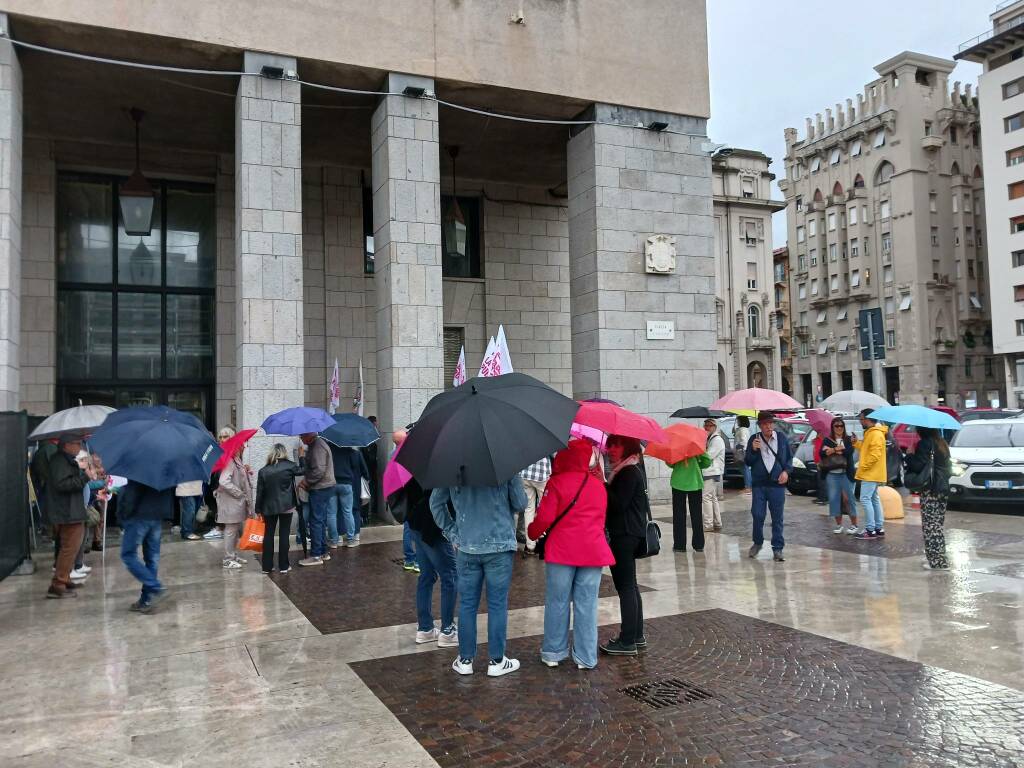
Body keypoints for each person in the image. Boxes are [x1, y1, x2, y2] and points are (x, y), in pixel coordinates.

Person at [431, 474, 527, 677]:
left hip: (467, 545)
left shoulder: (452, 466)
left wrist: (453, 533)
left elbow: (436, 504)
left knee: (467, 603)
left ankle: (465, 659)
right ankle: (497, 660)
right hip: (499, 545)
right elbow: (520, 503)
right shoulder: (504, 465)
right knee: (497, 604)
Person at [528, 440, 613, 670]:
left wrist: (532, 532)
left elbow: (544, 519)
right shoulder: (598, 486)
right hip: (593, 552)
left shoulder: (557, 482)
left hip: (562, 551)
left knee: (557, 601)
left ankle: (553, 652)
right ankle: (586, 657)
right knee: (587, 604)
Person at [600, 435, 649, 656]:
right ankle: (636, 636)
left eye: (615, 445)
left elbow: (618, 504)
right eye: (609, 445)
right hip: (629, 534)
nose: (610, 450)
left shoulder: (628, 472)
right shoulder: (629, 469)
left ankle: (627, 640)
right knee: (631, 586)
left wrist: (601, 483)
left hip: (624, 535)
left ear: (627, 446)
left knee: (626, 587)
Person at [403, 476, 458, 648]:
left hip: (417, 523)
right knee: (450, 576)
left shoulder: (417, 462)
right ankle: (447, 630)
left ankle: (425, 628)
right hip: (434, 527)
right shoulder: (442, 467)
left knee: (426, 575)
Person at [744, 412, 793, 562]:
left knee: (777, 518)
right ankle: (758, 542)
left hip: (777, 485)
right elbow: (748, 461)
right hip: (759, 485)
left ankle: (777, 549)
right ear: (759, 425)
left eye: (770, 423)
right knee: (757, 515)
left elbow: (789, 458)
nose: (768, 426)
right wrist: (753, 450)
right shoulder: (754, 439)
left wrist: (786, 471)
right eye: (765, 424)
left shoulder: (781, 439)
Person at [45, 435, 90, 599]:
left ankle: (65, 578)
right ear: (66, 445)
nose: (79, 446)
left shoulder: (66, 459)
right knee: (69, 548)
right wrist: (85, 477)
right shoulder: (59, 461)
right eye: (76, 443)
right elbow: (62, 484)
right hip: (67, 512)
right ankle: (58, 584)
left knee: (71, 547)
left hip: (70, 510)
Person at [119, 479, 173, 613]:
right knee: (152, 559)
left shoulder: (139, 465)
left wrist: (123, 516)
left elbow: (131, 494)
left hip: (139, 516)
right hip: (157, 515)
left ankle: (156, 587)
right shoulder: (166, 466)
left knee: (128, 555)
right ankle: (146, 600)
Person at [905, 427, 951, 570]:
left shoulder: (925, 444)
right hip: (942, 488)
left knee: (931, 527)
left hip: (930, 489)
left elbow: (918, 466)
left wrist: (909, 455)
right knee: (937, 525)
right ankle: (939, 560)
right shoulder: (942, 443)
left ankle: (937, 563)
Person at [255, 443, 302, 574]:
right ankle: (284, 566)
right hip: (286, 506)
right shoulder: (290, 466)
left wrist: (258, 510)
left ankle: (267, 567)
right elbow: (303, 470)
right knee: (284, 534)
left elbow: (260, 493)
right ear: (284, 453)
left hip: (268, 507)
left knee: (269, 535)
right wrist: (301, 456)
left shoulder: (263, 471)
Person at [298, 431, 336, 567]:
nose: (300, 438)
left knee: (316, 521)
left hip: (321, 488)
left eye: (302, 435)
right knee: (320, 520)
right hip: (324, 487)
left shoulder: (317, 446)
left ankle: (316, 555)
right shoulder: (318, 444)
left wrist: (307, 482)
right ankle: (323, 551)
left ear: (310, 435)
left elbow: (319, 470)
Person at [214, 447, 253, 569]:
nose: (244, 447)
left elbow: (238, 478)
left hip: (235, 503)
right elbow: (224, 481)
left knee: (235, 530)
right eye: (242, 445)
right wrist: (239, 493)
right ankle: (228, 559)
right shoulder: (230, 461)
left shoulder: (236, 460)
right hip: (231, 503)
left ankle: (233, 555)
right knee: (231, 530)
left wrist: (245, 472)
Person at [853, 409, 888, 540]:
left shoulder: (875, 434)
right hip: (873, 472)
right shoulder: (871, 433)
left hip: (871, 473)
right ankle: (878, 528)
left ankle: (870, 529)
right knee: (873, 499)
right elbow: (867, 449)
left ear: (867, 420)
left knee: (865, 499)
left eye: (861, 419)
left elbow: (874, 455)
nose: (860, 422)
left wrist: (863, 467)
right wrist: (856, 443)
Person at [821, 418, 859, 534]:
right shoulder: (828, 440)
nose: (839, 428)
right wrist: (835, 449)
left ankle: (854, 525)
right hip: (832, 474)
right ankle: (839, 524)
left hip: (846, 474)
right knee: (834, 499)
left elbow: (849, 452)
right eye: (836, 426)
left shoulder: (848, 439)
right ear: (832, 427)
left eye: (841, 426)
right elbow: (822, 454)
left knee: (848, 499)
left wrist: (833, 451)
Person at [328, 442, 370, 548]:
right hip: (347, 484)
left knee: (332, 514)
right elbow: (359, 469)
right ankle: (351, 540)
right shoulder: (351, 452)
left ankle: (334, 540)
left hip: (332, 484)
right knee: (348, 512)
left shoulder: (329, 451)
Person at [666, 451, 708, 553]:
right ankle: (698, 545)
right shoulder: (696, 447)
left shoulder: (676, 447)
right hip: (695, 481)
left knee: (678, 515)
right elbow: (707, 462)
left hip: (678, 482)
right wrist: (697, 462)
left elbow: (669, 463)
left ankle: (679, 545)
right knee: (696, 515)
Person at [392, 429, 418, 571]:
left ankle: (409, 560)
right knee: (417, 529)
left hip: (402, 497)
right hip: (412, 497)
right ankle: (418, 561)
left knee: (407, 529)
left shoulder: (392, 455)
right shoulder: (409, 456)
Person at [203, 426, 236, 540]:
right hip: (216, 483)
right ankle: (220, 528)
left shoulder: (234, 451)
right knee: (217, 507)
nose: (222, 439)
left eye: (225, 436)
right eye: (220, 437)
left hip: (223, 485)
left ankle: (220, 529)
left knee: (222, 509)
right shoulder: (219, 450)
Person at [518, 456, 552, 556]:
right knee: (545, 508)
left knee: (528, 509)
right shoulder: (548, 439)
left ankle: (530, 546)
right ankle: (542, 543)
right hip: (542, 473)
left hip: (524, 473)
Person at [702, 418, 726, 532]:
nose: (707, 427)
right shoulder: (710, 439)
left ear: (715, 427)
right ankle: (717, 522)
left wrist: (700, 453)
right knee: (712, 497)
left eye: (709, 426)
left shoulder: (717, 440)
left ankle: (708, 524)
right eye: (705, 425)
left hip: (711, 471)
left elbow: (709, 456)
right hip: (711, 471)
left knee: (706, 497)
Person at [734, 416, 752, 495]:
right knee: (745, 468)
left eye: (738, 421)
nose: (737, 422)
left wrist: (738, 447)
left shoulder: (742, 430)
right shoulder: (743, 429)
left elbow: (743, 441)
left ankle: (748, 487)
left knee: (745, 468)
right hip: (743, 450)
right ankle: (748, 486)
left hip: (742, 451)